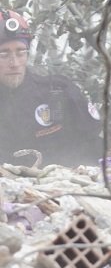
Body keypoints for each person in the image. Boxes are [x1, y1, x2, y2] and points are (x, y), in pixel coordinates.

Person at [0, 9, 104, 167]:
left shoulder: (60, 91)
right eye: (4, 54)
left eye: (20, 52)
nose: (14, 63)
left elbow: (96, 145)